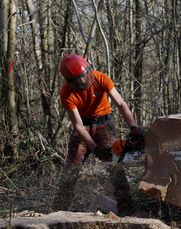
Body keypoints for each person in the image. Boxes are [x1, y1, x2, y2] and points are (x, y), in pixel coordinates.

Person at [53, 53, 144, 214]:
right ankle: (58, 212)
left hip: (104, 124)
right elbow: (78, 126)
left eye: (83, 78)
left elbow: (121, 104)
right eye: (76, 82)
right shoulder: (66, 93)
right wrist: (94, 148)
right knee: (71, 169)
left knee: (115, 167)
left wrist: (134, 127)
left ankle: (127, 210)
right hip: (84, 126)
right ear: (69, 81)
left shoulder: (100, 78)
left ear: (87, 71)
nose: (82, 83)